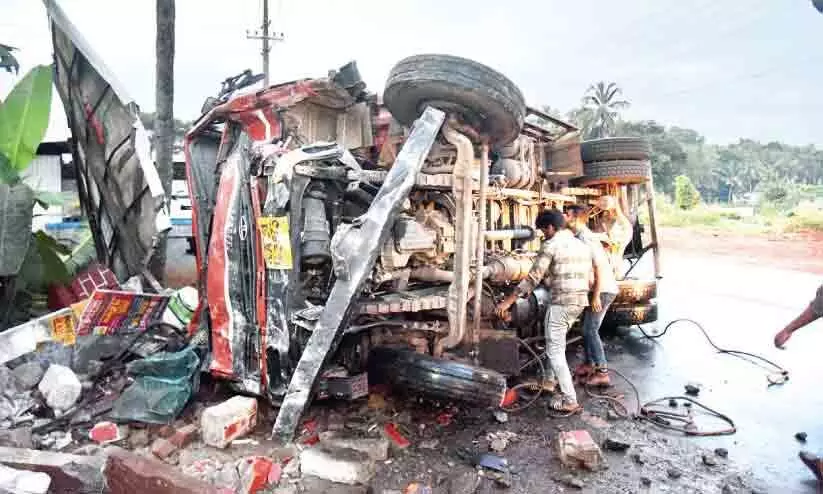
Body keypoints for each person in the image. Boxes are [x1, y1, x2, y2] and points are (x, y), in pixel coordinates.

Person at [496, 209, 592, 413]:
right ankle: (549, 380)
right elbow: (587, 278)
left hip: (562, 303)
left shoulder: (551, 245)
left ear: (550, 227)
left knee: (555, 351)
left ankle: (569, 399)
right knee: (557, 344)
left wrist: (507, 302)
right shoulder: (580, 245)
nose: (543, 235)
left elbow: (532, 278)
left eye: (543, 230)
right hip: (579, 302)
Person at [565, 204, 619, 387]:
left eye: (567, 215)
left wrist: (596, 296)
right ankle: (589, 364)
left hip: (603, 290)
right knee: (586, 328)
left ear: (576, 219)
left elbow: (600, 268)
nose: (564, 217)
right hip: (596, 289)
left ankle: (603, 372)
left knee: (590, 329)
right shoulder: (579, 237)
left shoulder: (586, 238)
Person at [591, 194, 633, 279]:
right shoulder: (603, 220)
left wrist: (607, 239)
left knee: (614, 265)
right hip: (607, 259)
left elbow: (617, 241)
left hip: (614, 257)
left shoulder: (622, 223)